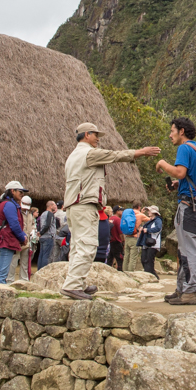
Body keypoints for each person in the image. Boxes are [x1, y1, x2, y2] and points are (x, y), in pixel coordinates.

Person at [60, 122, 160, 301]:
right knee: (88, 245)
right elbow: (114, 156)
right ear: (86, 134)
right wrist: (141, 152)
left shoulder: (73, 156)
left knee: (77, 245)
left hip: (74, 205)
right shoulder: (89, 153)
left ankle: (77, 282)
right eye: (95, 134)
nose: (98, 138)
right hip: (84, 205)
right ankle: (73, 285)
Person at [154, 116, 196, 306]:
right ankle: (182, 289)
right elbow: (187, 177)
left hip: (188, 206)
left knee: (189, 249)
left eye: (172, 130)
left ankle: (191, 291)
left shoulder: (184, 148)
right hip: (195, 204)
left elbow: (179, 172)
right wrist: (179, 183)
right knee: (184, 249)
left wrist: (161, 163)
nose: (170, 135)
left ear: (181, 131)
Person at [0, 181, 29, 285]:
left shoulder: (4, 203)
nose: (22, 194)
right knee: (3, 272)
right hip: (7, 240)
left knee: (2, 270)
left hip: (4, 239)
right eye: (20, 191)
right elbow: (14, 225)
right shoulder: (9, 205)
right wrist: (22, 237)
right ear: (12, 191)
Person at [136, 205, 164, 279]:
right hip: (147, 243)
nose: (148, 212)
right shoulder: (150, 221)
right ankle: (150, 275)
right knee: (144, 259)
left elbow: (158, 228)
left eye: (149, 211)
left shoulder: (158, 220)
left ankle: (152, 276)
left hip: (153, 243)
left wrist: (148, 230)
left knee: (149, 261)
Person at [36, 200, 59, 269]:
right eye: (54, 205)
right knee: (47, 256)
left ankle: (39, 269)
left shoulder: (43, 214)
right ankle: (43, 270)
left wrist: (40, 232)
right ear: (50, 206)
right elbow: (48, 225)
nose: (55, 206)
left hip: (43, 237)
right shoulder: (50, 214)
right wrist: (42, 232)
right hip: (48, 236)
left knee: (41, 255)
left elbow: (40, 224)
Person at [107, 204, 126, 271]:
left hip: (110, 241)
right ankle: (120, 271)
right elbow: (120, 233)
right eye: (121, 211)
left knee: (110, 258)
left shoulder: (109, 219)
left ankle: (108, 270)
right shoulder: (118, 220)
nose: (122, 212)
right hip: (117, 241)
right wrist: (123, 241)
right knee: (120, 258)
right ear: (117, 211)